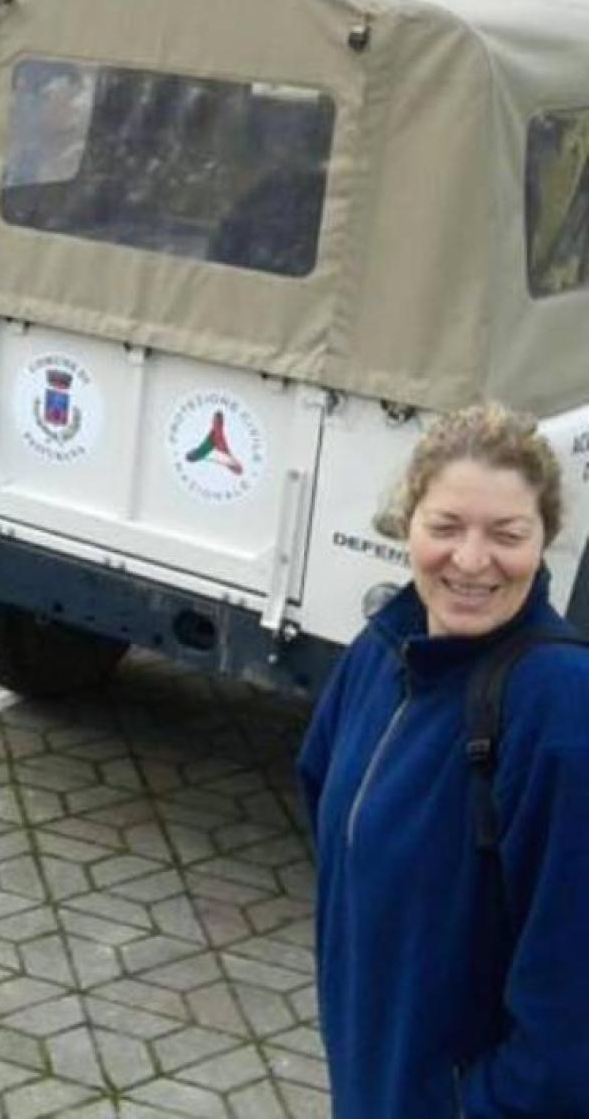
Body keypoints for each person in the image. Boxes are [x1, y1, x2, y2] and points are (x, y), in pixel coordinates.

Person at [299, 405, 589, 1117]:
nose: (470, 559)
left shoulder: (560, 709)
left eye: (507, 533)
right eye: (446, 526)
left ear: (546, 538)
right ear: (409, 526)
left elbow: (573, 1002)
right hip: (373, 1081)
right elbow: (323, 796)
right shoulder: (381, 651)